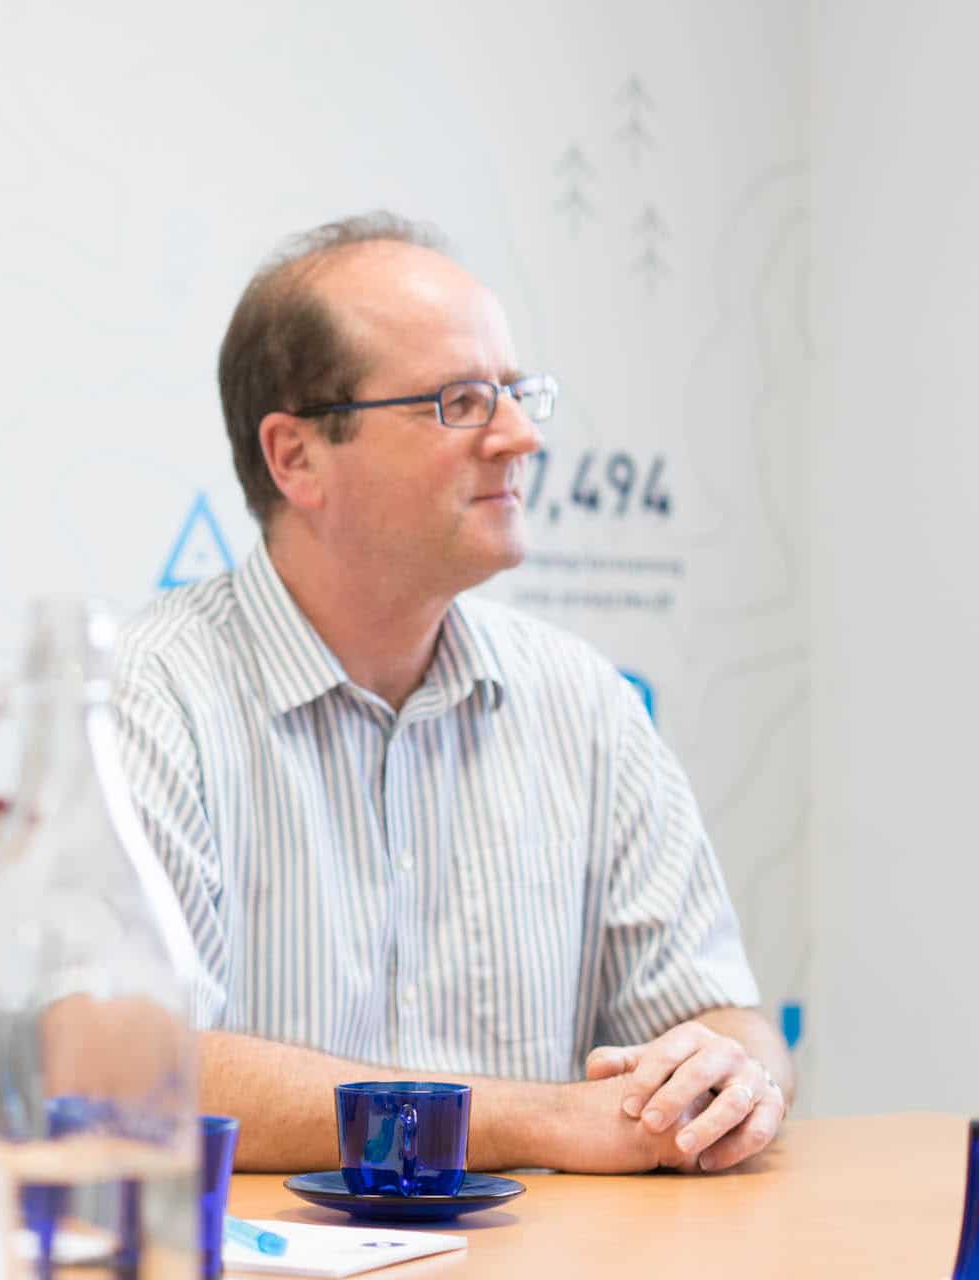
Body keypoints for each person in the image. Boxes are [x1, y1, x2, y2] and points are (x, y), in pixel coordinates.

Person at [114, 213, 794, 1177]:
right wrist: (540, 1121)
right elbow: (124, 1078)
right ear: (297, 457)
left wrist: (731, 1074)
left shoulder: (584, 702)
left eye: (517, 396)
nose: (519, 437)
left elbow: (718, 1015)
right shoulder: (148, 698)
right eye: (461, 402)